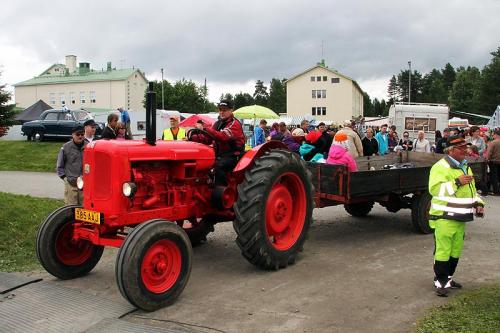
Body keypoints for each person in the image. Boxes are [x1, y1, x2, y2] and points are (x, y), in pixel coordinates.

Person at [428, 135, 485, 297]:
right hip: (444, 217)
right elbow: (435, 190)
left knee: (455, 251)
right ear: (451, 150)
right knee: (443, 251)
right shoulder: (440, 167)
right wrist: (457, 182)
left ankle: (448, 279)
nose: (466, 151)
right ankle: (440, 283)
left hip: (461, 217)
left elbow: (472, 191)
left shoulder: (465, 166)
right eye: (461, 149)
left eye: (466, 148)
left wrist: (479, 204)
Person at [194, 99, 245, 186]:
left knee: (218, 166)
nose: (221, 112)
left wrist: (205, 128)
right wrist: (193, 137)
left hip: (233, 155)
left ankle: (222, 192)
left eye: (224, 110)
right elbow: (207, 139)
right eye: (220, 110)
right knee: (202, 164)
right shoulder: (217, 123)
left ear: (231, 110)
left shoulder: (234, 123)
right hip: (219, 155)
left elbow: (223, 136)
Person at [56, 125, 86, 205]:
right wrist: (65, 179)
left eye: (82, 134)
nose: (80, 136)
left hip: (85, 185)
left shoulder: (89, 147)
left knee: (85, 209)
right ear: (72, 135)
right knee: (71, 210)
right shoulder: (65, 147)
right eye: (77, 134)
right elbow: (60, 166)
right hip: (71, 184)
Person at [487, 129, 500, 195]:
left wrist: (487, 159)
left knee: (494, 177)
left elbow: (489, 153)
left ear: (496, 134)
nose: (492, 136)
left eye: (493, 134)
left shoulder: (493, 142)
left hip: (494, 162)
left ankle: (496, 191)